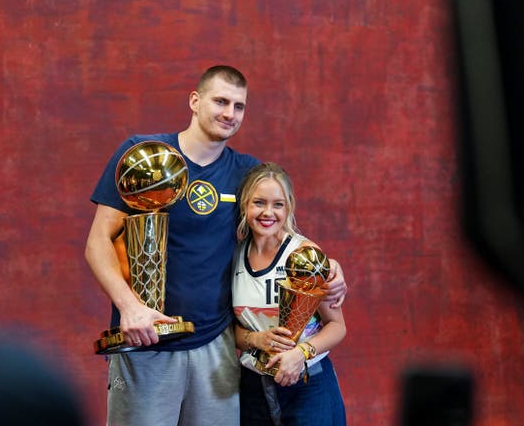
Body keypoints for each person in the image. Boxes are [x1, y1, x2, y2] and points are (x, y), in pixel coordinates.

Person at [84, 65, 348, 426]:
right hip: (147, 342)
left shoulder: (245, 172)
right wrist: (129, 308)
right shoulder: (144, 155)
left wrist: (331, 268)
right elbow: (97, 242)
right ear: (195, 100)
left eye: (239, 106)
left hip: (216, 346)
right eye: (220, 101)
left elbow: (282, 234)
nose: (229, 113)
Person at [232, 162, 347, 426]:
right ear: (245, 205)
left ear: (289, 207)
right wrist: (256, 339)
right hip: (253, 386)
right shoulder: (235, 256)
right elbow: (232, 330)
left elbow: (337, 326)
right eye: (259, 203)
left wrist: (301, 353)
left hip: (307, 383)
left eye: (278, 204)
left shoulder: (304, 255)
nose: (267, 213)